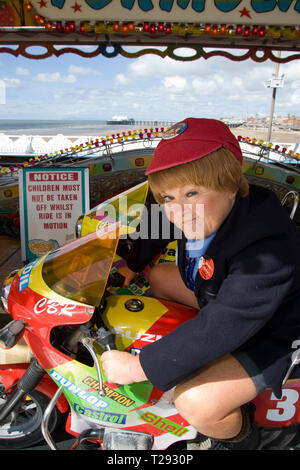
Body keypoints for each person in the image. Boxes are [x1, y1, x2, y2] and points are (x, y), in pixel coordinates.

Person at [101, 117, 300, 450]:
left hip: (276, 329)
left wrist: (142, 366)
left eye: (192, 192)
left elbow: (226, 323)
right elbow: (157, 217)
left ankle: (242, 438)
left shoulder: (267, 249)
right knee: (160, 276)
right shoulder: (202, 207)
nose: (179, 211)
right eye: (169, 198)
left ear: (230, 185)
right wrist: (126, 264)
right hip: (223, 294)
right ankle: (185, 354)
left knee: (195, 402)